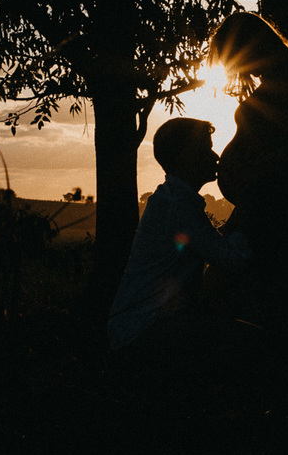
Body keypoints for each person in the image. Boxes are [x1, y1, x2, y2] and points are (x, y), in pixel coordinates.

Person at [107, 117, 252, 352]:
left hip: (136, 325)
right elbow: (232, 260)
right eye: (206, 149)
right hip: (145, 328)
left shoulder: (172, 200)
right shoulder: (179, 207)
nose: (215, 157)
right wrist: (248, 209)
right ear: (187, 157)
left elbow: (211, 245)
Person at [208, 11, 288, 253]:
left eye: (232, 57)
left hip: (278, 212)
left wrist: (272, 166)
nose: (233, 67)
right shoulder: (280, 82)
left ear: (249, 48)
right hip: (264, 208)